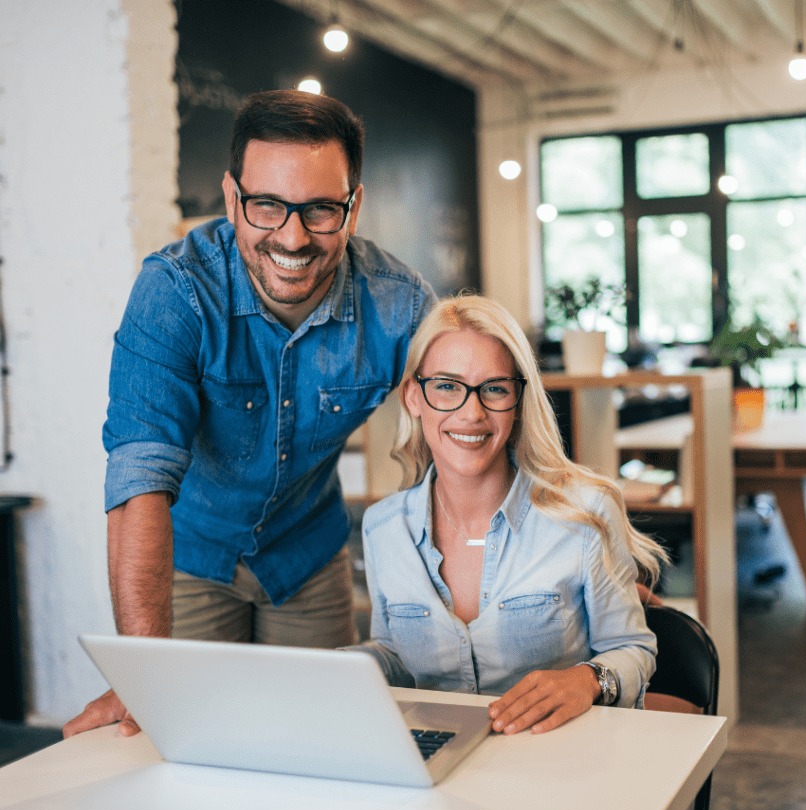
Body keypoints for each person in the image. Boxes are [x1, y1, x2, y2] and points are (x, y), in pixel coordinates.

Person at [64, 90, 435, 739]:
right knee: (183, 744)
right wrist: (142, 672)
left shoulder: (398, 305)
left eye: (321, 209)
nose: (292, 237)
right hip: (189, 556)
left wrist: (587, 557)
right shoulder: (175, 291)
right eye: (267, 205)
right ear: (233, 197)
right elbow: (138, 481)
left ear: (354, 205)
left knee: (323, 745)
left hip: (308, 556)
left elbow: (483, 427)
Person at [351, 294, 665, 735]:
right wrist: (343, 666)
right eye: (446, 386)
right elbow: (397, 658)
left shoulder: (585, 513)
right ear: (413, 398)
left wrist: (586, 680)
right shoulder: (383, 527)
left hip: (558, 762)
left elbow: (633, 647)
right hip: (439, 763)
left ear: (518, 402)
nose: (472, 412)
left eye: (494, 389)